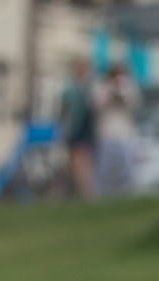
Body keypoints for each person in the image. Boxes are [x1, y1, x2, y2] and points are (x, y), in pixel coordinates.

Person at [94, 63, 141, 198]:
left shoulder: (129, 86)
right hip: (107, 133)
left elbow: (134, 105)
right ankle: (103, 194)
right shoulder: (103, 87)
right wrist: (110, 92)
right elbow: (97, 106)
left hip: (125, 133)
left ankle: (128, 193)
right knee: (104, 168)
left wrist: (122, 92)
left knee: (128, 167)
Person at [61, 59, 98, 199]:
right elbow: (65, 111)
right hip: (76, 131)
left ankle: (81, 191)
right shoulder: (71, 90)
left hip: (85, 131)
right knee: (77, 164)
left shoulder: (88, 89)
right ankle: (85, 192)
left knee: (79, 164)